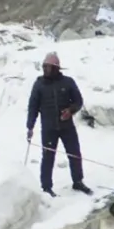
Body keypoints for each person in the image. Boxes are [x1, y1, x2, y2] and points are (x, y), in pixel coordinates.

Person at [25, 52, 91, 196]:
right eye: (44, 67)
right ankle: (46, 187)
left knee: (74, 154)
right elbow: (33, 107)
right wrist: (30, 126)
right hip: (49, 128)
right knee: (48, 157)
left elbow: (78, 101)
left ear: (56, 68)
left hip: (67, 126)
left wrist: (70, 110)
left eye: (49, 67)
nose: (46, 69)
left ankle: (78, 181)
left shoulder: (68, 82)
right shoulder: (39, 84)